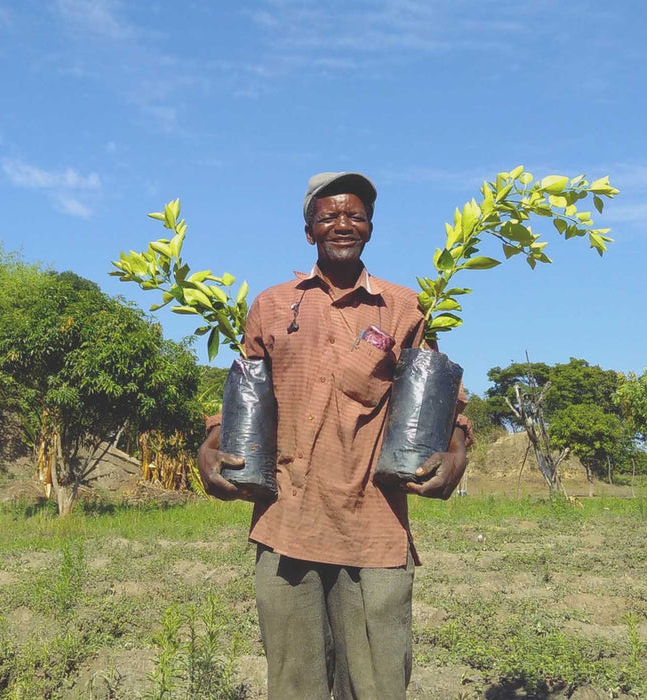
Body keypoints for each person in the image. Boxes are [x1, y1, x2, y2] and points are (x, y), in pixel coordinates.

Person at [197, 172, 472, 700]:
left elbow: (444, 407)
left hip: (374, 525)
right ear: (308, 231)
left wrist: (454, 454)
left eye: (355, 215)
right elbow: (245, 398)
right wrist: (209, 448)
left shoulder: (406, 308)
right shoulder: (274, 306)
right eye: (328, 216)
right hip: (287, 521)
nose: (342, 224)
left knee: (378, 683)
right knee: (295, 682)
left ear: (371, 227)